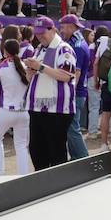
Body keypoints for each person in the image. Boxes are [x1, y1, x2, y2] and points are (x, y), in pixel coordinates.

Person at [23, 17, 77, 170]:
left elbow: (66, 75)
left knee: (56, 152)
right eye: (37, 34)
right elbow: (31, 79)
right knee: (36, 150)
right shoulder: (38, 49)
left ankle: (58, 185)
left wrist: (40, 67)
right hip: (37, 107)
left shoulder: (64, 48)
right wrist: (30, 72)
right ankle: (42, 182)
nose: (40, 37)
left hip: (57, 110)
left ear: (53, 30)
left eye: (43, 33)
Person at [0, 39, 33, 175]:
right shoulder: (25, 66)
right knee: (21, 145)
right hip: (23, 112)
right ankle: (23, 174)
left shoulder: (0, 67)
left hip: (5, 110)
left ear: (5, 51)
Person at [58, 14, 92, 160]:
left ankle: (83, 158)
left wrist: (68, 94)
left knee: (72, 128)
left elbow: (75, 74)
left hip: (75, 93)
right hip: (78, 92)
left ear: (71, 27)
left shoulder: (76, 46)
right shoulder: (78, 42)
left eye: (63, 27)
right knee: (70, 128)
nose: (61, 30)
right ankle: (78, 158)